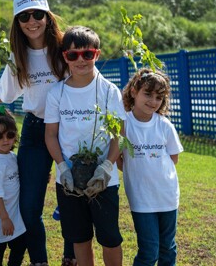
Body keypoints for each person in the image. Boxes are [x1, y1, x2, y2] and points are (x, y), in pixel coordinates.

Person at [0, 0, 74, 266]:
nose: (31, 20)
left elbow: (88, 79)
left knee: (71, 200)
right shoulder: (18, 57)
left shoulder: (65, 48)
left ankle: (71, 256)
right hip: (36, 131)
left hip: (68, 129)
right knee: (28, 207)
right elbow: (1, 95)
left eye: (37, 14)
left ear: (47, 17)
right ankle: (40, 261)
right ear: (17, 22)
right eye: (24, 16)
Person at [45, 26, 123, 266]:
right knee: (79, 238)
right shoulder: (57, 92)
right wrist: (63, 168)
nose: (81, 60)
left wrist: (107, 166)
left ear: (97, 54)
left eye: (87, 54)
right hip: (69, 181)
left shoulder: (109, 91)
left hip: (103, 181)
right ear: (64, 57)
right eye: (73, 55)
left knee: (109, 238)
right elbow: (51, 135)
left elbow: (117, 136)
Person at [120, 68, 184, 266]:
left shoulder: (165, 125)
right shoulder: (124, 125)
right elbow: (118, 158)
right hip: (141, 199)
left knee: (168, 248)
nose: (153, 101)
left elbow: (173, 157)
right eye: (147, 94)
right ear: (133, 92)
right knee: (148, 251)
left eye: (159, 97)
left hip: (167, 197)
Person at [0, 111, 27, 266]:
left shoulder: (11, 156)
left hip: (15, 217)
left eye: (10, 135)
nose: (5, 140)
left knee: (20, 246)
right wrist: (4, 219)